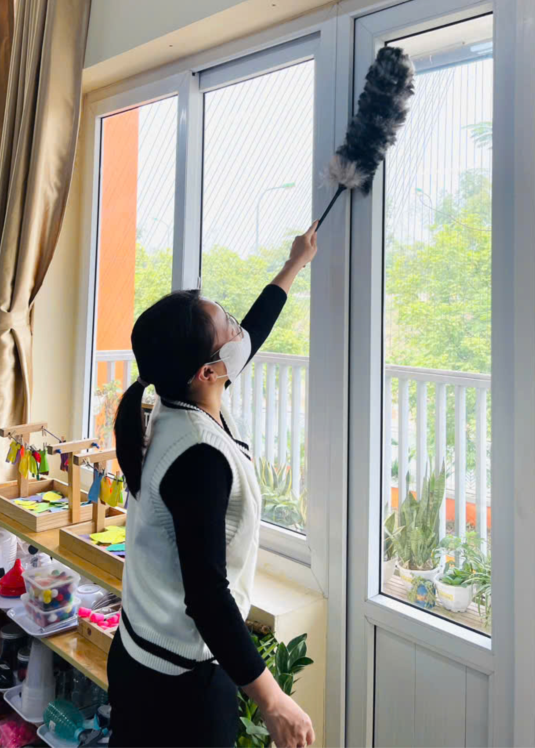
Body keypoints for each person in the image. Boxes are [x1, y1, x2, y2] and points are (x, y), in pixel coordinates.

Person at [108, 222, 318, 748]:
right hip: (177, 691)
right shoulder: (198, 457)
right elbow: (206, 596)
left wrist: (295, 264)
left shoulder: (177, 397)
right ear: (209, 370)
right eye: (228, 324)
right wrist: (273, 700)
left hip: (139, 655)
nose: (239, 329)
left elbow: (253, 332)